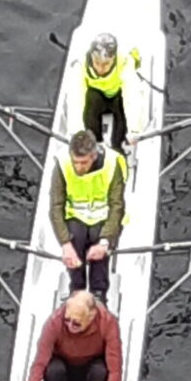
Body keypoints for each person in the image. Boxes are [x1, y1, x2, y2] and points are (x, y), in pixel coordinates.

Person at [50, 129, 126, 303]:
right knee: (75, 238)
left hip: (102, 219)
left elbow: (117, 206)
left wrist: (105, 242)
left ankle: (99, 295)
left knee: (99, 242)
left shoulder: (112, 164)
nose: (78, 167)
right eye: (75, 162)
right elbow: (55, 207)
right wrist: (65, 244)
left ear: (93, 156)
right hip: (75, 218)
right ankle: (76, 290)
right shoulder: (62, 164)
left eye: (83, 163)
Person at [68, 32, 144, 151]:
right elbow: (75, 97)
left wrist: (134, 130)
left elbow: (132, 96)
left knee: (123, 114)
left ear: (113, 58)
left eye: (106, 64)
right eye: (97, 63)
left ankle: (118, 147)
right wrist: (75, 130)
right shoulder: (80, 64)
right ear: (91, 56)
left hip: (117, 97)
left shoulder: (125, 62)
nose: (100, 68)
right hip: (97, 97)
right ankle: (95, 143)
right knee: (91, 100)